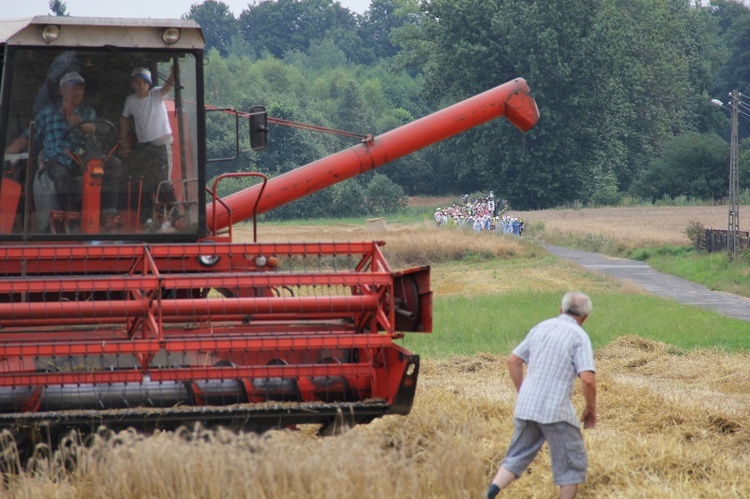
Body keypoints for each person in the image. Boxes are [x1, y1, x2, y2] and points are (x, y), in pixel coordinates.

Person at [486, 291, 597, 499]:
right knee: (571, 468)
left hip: (527, 407)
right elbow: (588, 379)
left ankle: (490, 493)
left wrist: (524, 393)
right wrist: (590, 408)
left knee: (515, 457)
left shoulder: (541, 327)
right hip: (556, 412)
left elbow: (513, 361)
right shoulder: (579, 336)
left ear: (561, 309)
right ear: (585, 317)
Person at [119, 66, 177, 227]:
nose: (141, 85)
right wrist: (123, 143)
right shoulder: (130, 101)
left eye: (144, 82)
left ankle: (175, 217)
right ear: (132, 84)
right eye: (137, 82)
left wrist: (172, 75)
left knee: (163, 182)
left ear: (149, 84)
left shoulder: (156, 95)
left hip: (161, 144)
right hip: (143, 146)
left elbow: (167, 87)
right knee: (143, 184)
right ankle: (148, 220)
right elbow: (124, 120)